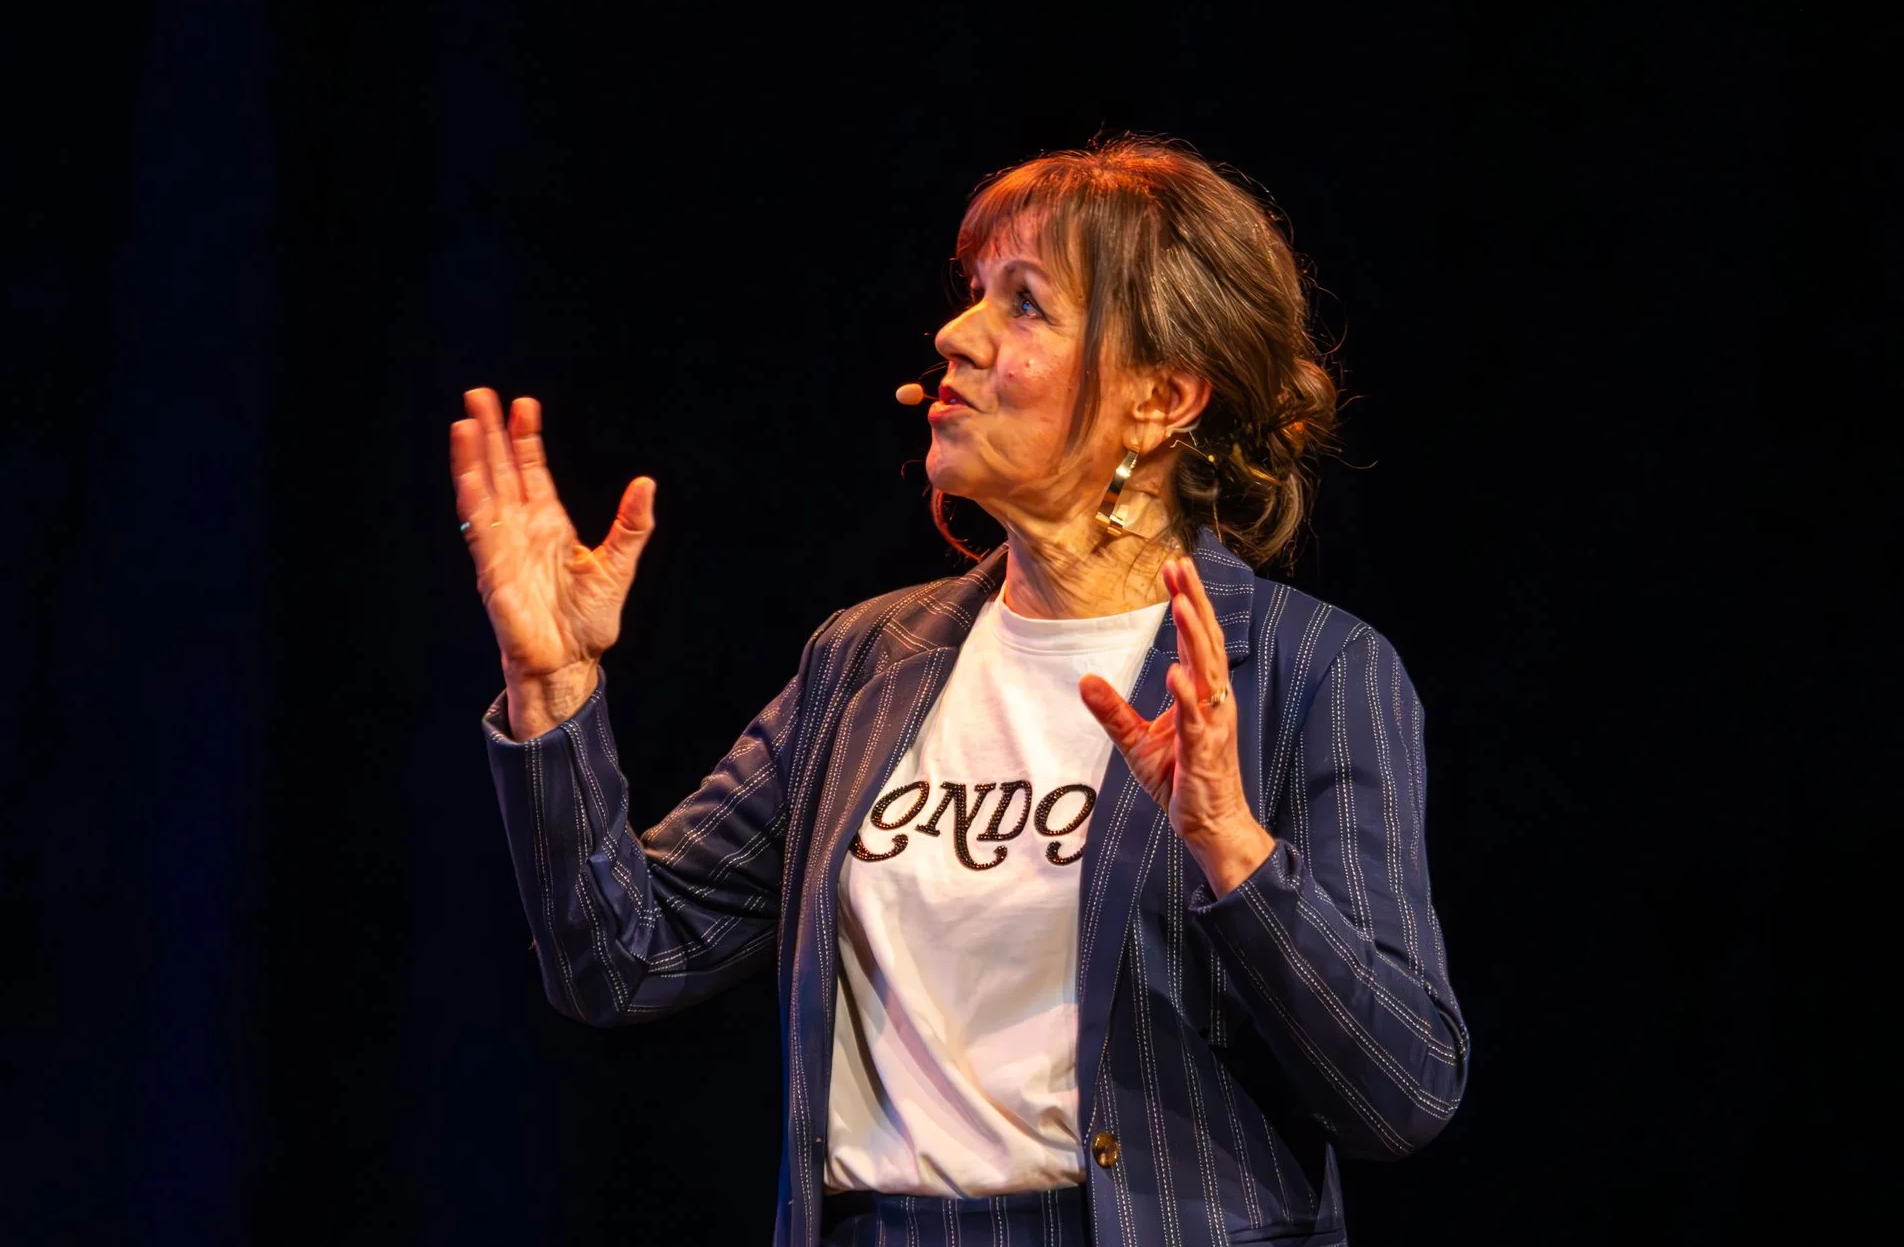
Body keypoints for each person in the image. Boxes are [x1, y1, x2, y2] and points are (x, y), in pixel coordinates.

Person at [448, 138, 1466, 1247]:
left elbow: (1399, 1090)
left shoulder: (1308, 669)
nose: (954, 334)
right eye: (974, 292)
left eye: (1024, 305)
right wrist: (551, 685)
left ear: (1160, 398)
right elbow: (624, 957)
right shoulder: (868, 658)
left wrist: (1230, 844)